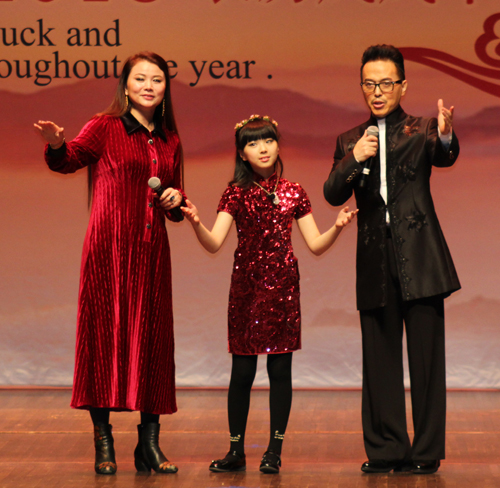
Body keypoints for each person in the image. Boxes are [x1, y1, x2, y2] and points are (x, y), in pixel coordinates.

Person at [34, 51, 185, 475]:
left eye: (157, 79)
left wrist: (177, 200)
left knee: (153, 342)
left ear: (165, 88)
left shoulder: (170, 138)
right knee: (103, 339)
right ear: (125, 85)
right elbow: (68, 160)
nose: (149, 86)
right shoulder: (105, 126)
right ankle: (103, 441)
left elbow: (175, 200)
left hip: (152, 254)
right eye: (140, 78)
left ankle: (149, 444)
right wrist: (56, 143)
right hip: (108, 250)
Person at [181, 114, 357, 474]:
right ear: (242, 154)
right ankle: (235, 451)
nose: (262, 148)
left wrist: (337, 228)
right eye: (252, 143)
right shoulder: (235, 192)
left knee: (280, 371)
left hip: (283, 291)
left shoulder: (295, 191)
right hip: (245, 290)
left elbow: (316, 245)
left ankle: (274, 451)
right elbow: (214, 243)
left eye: (267, 140)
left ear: (278, 145)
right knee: (241, 373)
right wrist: (196, 222)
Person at [323, 44, 460, 475]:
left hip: (421, 258)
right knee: (379, 358)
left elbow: (446, 154)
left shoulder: (421, 130)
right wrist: (355, 158)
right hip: (375, 261)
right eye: (369, 84)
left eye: (386, 83)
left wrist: (445, 132)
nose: (377, 92)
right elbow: (331, 193)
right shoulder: (350, 140)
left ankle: (425, 452)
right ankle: (385, 449)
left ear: (403, 85)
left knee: (426, 360)